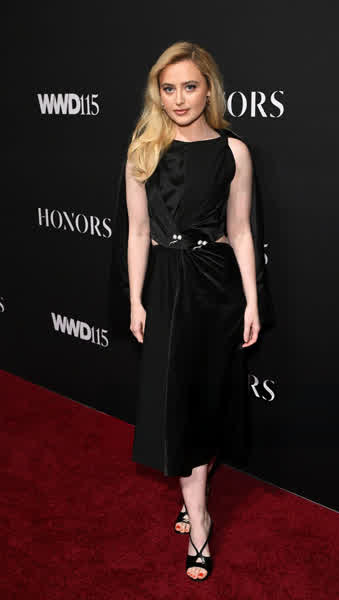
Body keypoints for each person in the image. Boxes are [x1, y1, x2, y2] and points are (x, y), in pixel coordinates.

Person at [108, 41, 275, 581]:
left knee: (208, 398)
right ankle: (199, 517)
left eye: (189, 86)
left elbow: (241, 231)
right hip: (166, 288)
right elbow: (137, 232)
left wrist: (252, 300)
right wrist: (135, 298)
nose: (179, 98)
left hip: (217, 288)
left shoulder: (234, 152)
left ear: (209, 90)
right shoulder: (143, 150)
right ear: (157, 93)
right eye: (168, 88)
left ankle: (194, 496)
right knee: (175, 401)